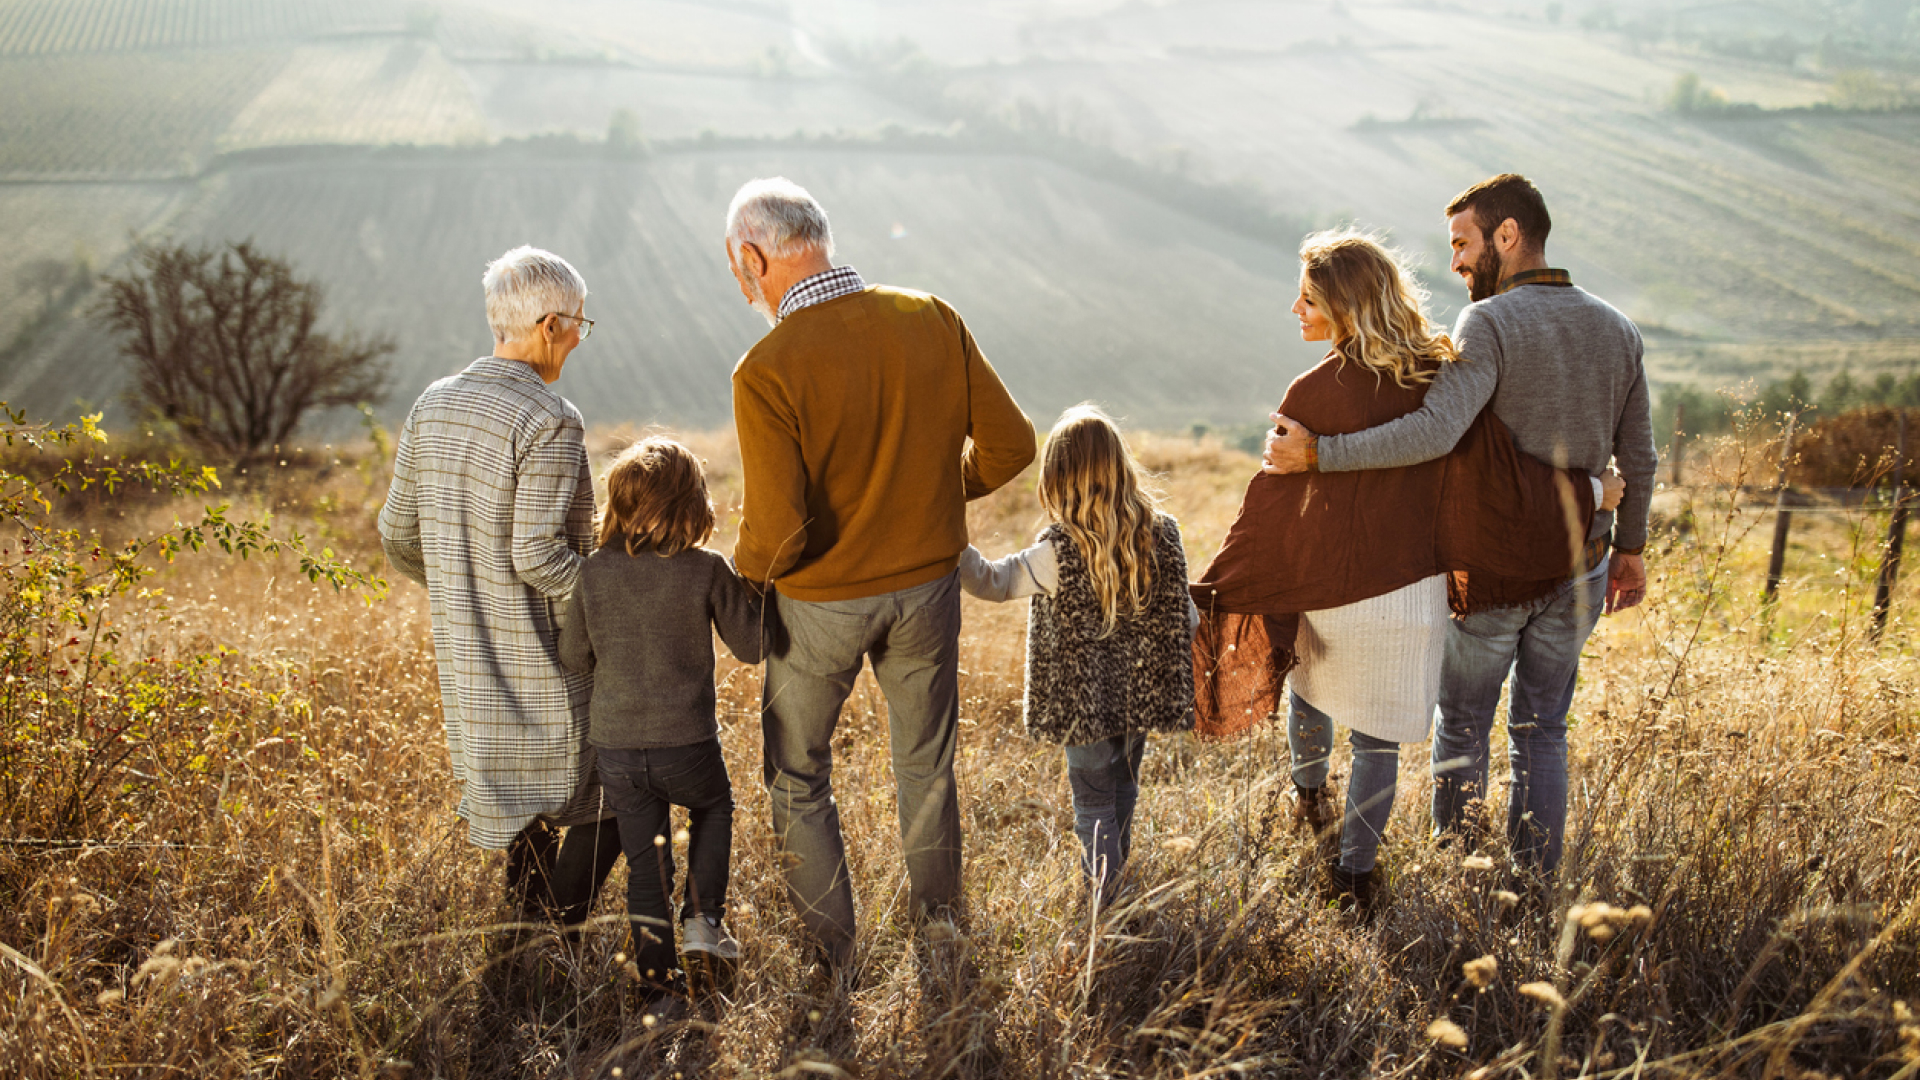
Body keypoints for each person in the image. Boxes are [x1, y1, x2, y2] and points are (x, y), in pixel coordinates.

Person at [1191, 230, 1620, 918]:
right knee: (1377, 744)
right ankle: (1356, 878)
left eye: (1307, 299)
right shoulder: (1437, 377)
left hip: (1335, 593)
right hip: (1409, 600)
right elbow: (1499, 485)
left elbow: (1270, 507)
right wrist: (1593, 494)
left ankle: (1311, 805)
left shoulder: (1311, 391)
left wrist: (1223, 586)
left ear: (1343, 307)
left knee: (1309, 690)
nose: (1293, 309)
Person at [1262, 174, 1658, 877]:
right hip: (1583, 566)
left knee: (1467, 724)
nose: (1455, 263)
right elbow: (1641, 456)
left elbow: (1436, 432)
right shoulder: (1618, 329)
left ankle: (1461, 872)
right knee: (1543, 731)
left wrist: (1322, 454)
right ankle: (1533, 884)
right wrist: (1629, 547)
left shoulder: (1491, 323)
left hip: (1497, 573)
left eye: (1463, 244)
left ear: (1508, 237)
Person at [724, 176, 1036, 969]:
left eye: (735, 266)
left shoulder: (765, 369)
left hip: (818, 607)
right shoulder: (930, 317)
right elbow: (1011, 447)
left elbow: (781, 529)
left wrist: (737, 582)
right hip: (929, 590)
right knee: (926, 764)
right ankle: (940, 930)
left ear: (752, 258)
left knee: (797, 775)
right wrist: (927, 493)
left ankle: (834, 956)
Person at [379, 245, 620, 933]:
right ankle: (558, 935)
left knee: (522, 799)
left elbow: (398, 534)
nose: (580, 337)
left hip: (469, 660)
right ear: (550, 325)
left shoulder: (434, 404)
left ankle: (521, 938)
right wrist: (617, 605)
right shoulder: (551, 418)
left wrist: (464, 589)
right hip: (549, 655)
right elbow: (541, 557)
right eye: (579, 324)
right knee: (614, 793)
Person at [957, 406, 1197, 900]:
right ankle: (1117, 884)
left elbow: (992, 583)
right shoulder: (1163, 534)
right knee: (1123, 789)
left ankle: (1103, 900)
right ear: (1121, 467)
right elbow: (1187, 619)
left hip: (1080, 708)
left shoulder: (1056, 550)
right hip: (1141, 700)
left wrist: (951, 540)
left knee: (1092, 805)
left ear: (1056, 477)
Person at [558, 437, 769, 996]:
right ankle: (703, 922)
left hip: (618, 751)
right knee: (714, 806)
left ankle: (657, 976)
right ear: (692, 504)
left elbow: (574, 656)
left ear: (620, 505)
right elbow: (753, 647)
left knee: (646, 866)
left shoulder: (594, 573)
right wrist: (764, 592)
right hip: (688, 743)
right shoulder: (706, 569)